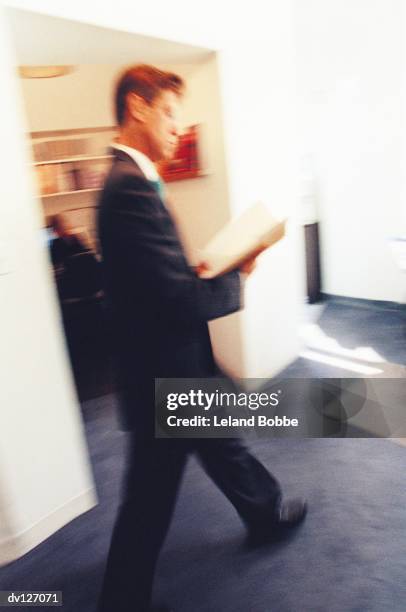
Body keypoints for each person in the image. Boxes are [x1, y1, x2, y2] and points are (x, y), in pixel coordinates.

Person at [97, 64, 307, 612]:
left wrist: (198, 269)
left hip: (176, 361)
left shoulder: (134, 181)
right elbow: (172, 299)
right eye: (169, 114)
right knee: (149, 496)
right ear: (137, 107)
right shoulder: (127, 189)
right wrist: (239, 270)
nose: (177, 129)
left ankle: (263, 516)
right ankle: (121, 601)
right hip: (162, 374)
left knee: (223, 445)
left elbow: (156, 281)